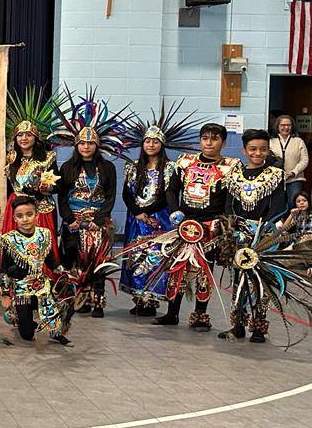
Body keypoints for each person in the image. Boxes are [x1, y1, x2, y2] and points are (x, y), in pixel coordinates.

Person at [118, 104, 200, 317]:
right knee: (136, 257)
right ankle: (139, 299)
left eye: (155, 141)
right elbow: (126, 193)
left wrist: (148, 211)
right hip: (136, 220)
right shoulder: (132, 167)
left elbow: (168, 195)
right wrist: (137, 212)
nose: (151, 144)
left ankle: (151, 300)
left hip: (158, 219)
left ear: (161, 144)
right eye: (147, 140)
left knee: (154, 258)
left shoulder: (171, 168)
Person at [157, 122, 239, 330]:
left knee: (205, 271)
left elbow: (232, 198)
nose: (209, 143)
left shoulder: (231, 166)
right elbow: (171, 189)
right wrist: (175, 210)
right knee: (177, 267)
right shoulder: (185, 162)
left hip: (211, 226)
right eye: (205, 138)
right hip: (184, 224)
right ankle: (172, 312)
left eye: (214, 138)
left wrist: (225, 223)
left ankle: (200, 315)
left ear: (223, 142)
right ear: (200, 140)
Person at [219, 128, 286, 342]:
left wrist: (263, 230)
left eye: (263, 149)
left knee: (261, 281)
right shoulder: (235, 175)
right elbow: (229, 205)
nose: (258, 153)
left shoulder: (275, 175)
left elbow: (278, 207)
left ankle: (258, 327)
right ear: (245, 150)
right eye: (253, 149)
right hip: (239, 235)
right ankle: (237, 324)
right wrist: (232, 227)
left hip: (263, 236)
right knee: (238, 279)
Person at [56, 125, 116, 318]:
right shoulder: (67, 167)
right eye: (82, 143)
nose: (86, 147)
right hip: (74, 223)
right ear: (77, 145)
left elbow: (110, 197)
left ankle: (97, 301)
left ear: (97, 146)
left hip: (98, 223)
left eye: (90, 143)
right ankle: (79, 298)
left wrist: (99, 220)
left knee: (99, 263)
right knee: (75, 260)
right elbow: (63, 197)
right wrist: (69, 218)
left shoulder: (108, 168)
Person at [0, 195, 71, 345]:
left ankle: (55, 332)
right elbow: (4, 269)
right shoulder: (10, 240)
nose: (25, 219)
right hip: (22, 290)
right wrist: (5, 294)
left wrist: (65, 273)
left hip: (41, 286)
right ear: (14, 218)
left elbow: (51, 261)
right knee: (27, 335)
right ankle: (22, 320)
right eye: (20, 216)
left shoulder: (44, 235)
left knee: (54, 317)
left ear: (37, 215)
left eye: (29, 214)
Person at [1, 91, 61, 260]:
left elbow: (58, 185)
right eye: (20, 135)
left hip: (41, 209)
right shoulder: (11, 159)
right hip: (17, 207)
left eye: (28, 135)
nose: (24, 138)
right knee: (16, 249)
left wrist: (46, 188)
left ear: (36, 137)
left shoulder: (47, 158)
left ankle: (43, 280)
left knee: (41, 249)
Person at [270, 114, 308, 206]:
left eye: (288, 125)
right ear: (277, 126)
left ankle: (294, 220)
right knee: (277, 205)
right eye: (283, 125)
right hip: (276, 179)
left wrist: (293, 172)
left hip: (295, 179)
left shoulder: (298, 141)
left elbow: (304, 160)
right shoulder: (271, 141)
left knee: (293, 203)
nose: (286, 127)